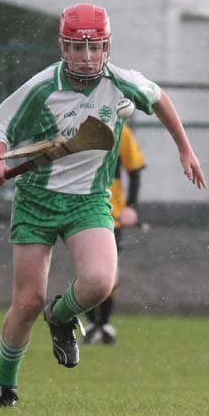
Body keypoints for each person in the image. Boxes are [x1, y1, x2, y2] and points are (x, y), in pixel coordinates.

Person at [0, 2, 206, 407]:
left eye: (95, 48)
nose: (87, 58)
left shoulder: (121, 83)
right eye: (77, 48)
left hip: (90, 201)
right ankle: (4, 383)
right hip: (36, 200)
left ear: (107, 47)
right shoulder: (41, 87)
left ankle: (62, 316)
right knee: (27, 301)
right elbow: (0, 125)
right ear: (63, 48)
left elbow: (159, 99)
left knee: (101, 281)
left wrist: (185, 149)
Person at [83, 124, 145, 345]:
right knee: (88, 272)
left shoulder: (122, 132)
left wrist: (130, 207)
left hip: (111, 213)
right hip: (81, 211)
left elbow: (135, 169)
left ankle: (102, 323)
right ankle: (93, 323)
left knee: (109, 272)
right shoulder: (78, 127)